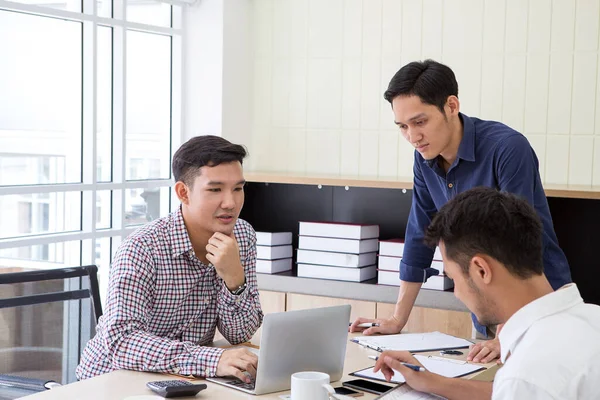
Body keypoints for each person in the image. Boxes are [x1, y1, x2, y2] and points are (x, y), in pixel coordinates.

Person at [350, 59, 572, 363]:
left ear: (451, 106)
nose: (413, 137)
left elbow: (518, 246)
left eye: (420, 122)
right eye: (402, 127)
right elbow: (420, 234)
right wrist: (397, 319)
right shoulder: (424, 158)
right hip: (486, 315)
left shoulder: (507, 149)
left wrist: (505, 334)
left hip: (539, 313)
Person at [373, 187, 600, 400]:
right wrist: (432, 382)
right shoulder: (592, 319)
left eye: (454, 279)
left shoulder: (526, 377)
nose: (457, 294)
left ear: (481, 270)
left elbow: (522, 386)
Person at [76, 135, 263, 383]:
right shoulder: (142, 248)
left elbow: (240, 333)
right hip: (112, 381)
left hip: (184, 381)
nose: (230, 202)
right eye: (215, 189)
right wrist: (212, 360)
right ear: (183, 192)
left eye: (238, 189)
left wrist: (234, 278)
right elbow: (121, 342)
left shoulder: (242, 235)